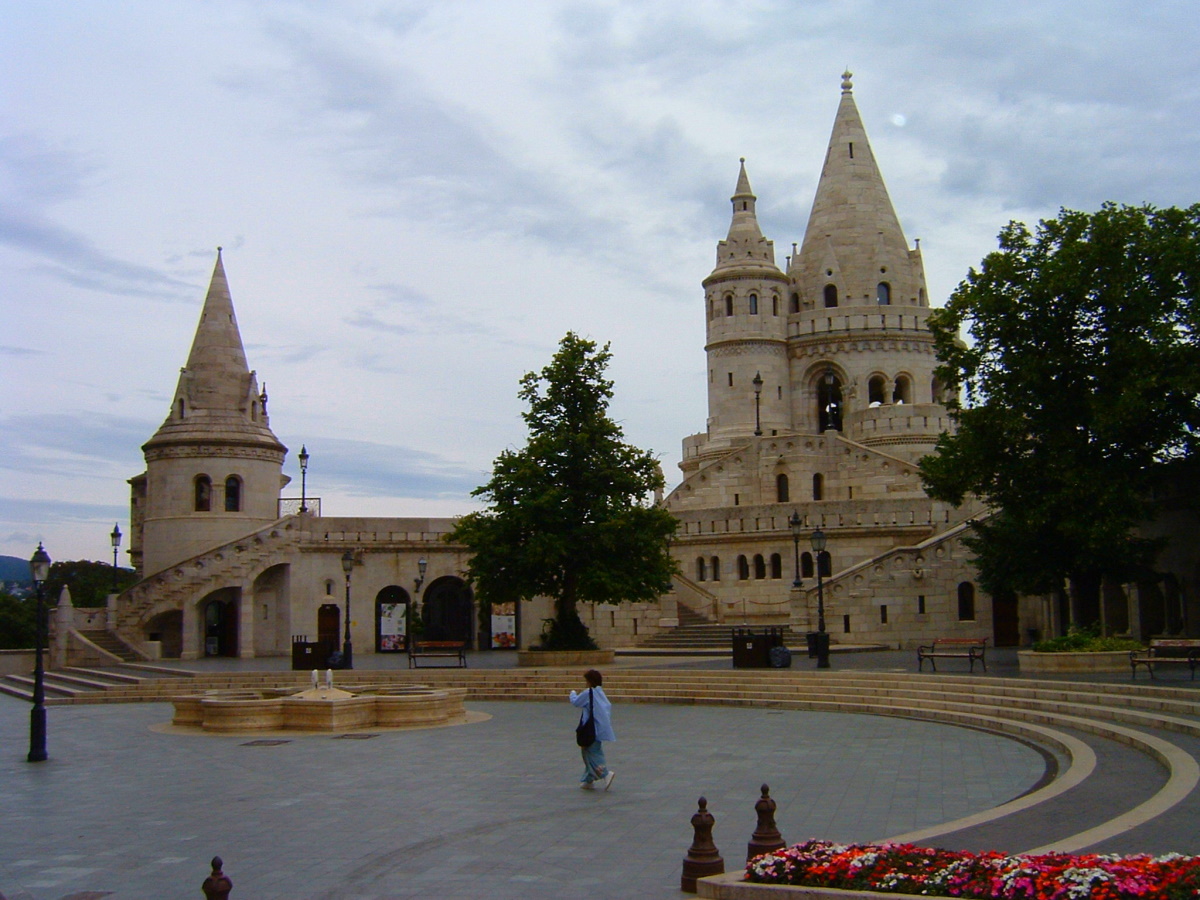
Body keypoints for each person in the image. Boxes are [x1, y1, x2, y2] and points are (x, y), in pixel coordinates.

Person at [569, 669, 615, 790]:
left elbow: (576, 702)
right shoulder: (600, 693)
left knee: (592, 752)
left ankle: (605, 774)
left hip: (591, 729)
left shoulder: (589, 693)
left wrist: (572, 693)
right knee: (591, 751)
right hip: (599, 728)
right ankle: (588, 779)